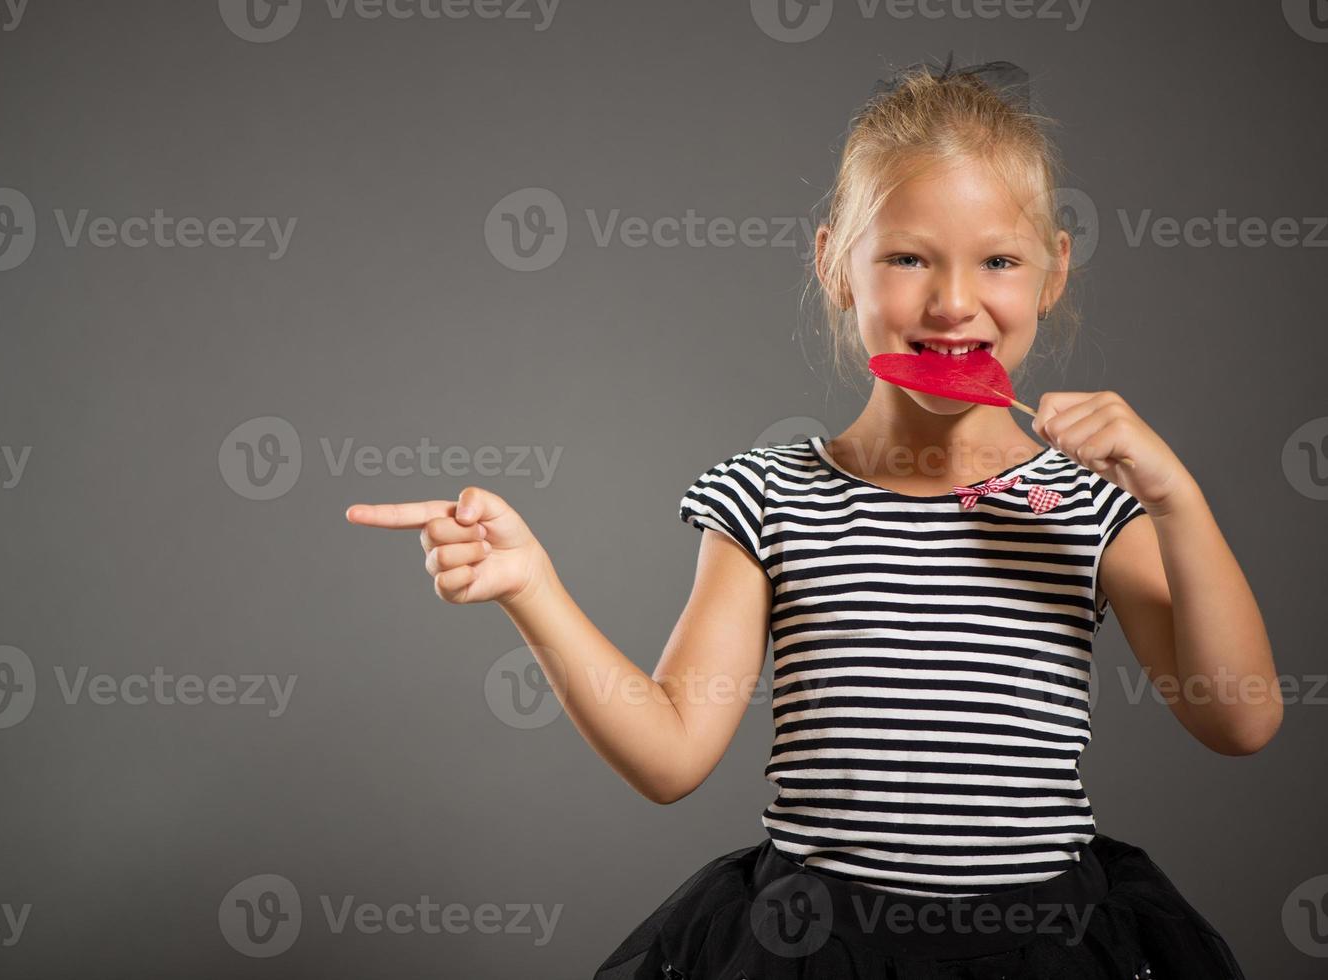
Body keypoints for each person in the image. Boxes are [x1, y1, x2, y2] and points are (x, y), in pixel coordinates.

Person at [345, 55, 1278, 979]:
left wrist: (1178, 501)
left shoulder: (1092, 499)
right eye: (907, 258)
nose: (954, 301)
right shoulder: (767, 498)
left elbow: (1240, 721)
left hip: (1045, 945)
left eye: (998, 260)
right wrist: (533, 590)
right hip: (819, 948)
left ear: (1052, 273)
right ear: (834, 263)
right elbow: (670, 755)